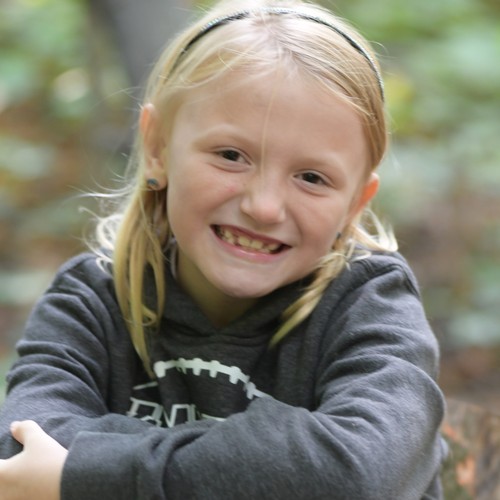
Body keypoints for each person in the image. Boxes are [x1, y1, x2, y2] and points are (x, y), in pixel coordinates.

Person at [0, 0, 447, 498]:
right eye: (231, 155)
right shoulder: (91, 300)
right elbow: (20, 454)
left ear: (355, 203)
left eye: (311, 177)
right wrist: (281, 463)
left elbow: (356, 472)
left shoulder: (369, 305)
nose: (264, 207)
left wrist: (88, 472)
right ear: (157, 148)